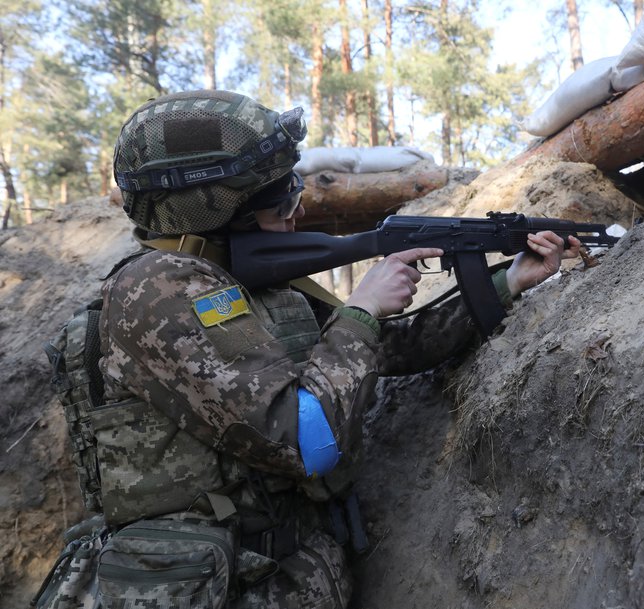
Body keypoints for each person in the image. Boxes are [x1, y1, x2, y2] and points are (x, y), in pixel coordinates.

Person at [52, 89, 581, 608]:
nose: (295, 214)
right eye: (282, 201)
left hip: (274, 570)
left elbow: (388, 351)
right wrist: (362, 310)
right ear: (220, 211)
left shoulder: (246, 283)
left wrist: (507, 281)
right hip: (214, 585)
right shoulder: (159, 289)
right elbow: (305, 440)